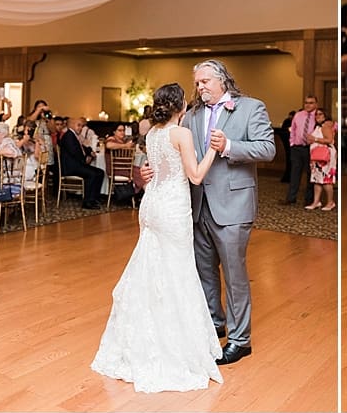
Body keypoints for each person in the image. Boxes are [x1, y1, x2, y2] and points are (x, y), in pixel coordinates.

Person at [91, 83, 224, 392]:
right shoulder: (181, 134)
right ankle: (174, 346)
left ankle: (141, 339)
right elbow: (195, 176)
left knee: (150, 269)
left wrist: (148, 174)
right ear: (182, 107)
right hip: (173, 208)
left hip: (151, 205)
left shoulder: (152, 133)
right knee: (178, 272)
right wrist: (214, 151)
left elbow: (154, 170)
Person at [185, 59, 275, 365]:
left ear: (222, 80)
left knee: (235, 275)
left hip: (234, 205)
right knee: (205, 270)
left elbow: (267, 149)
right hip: (199, 204)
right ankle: (215, 323)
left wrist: (229, 146)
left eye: (205, 81)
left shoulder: (251, 108)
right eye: (197, 83)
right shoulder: (192, 114)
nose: (200, 87)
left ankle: (240, 340)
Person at [56, 117, 105, 210]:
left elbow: (82, 147)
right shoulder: (68, 136)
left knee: (100, 172)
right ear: (71, 125)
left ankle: (94, 198)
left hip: (76, 165)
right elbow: (75, 151)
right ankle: (87, 201)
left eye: (82, 126)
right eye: (78, 125)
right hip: (71, 167)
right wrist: (85, 159)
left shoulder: (74, 135)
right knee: (92, 174)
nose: (81, 128)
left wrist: (89, 152)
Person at [285, 96, 318, 206]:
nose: (308, 105)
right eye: (306, 102)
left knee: (310, 174)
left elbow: (331, 125)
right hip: (297, 148)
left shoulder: (318, 115)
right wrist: (292, 143)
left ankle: (309, 199)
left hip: (311, 148)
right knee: (295, 173)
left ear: (316, 104)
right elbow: (293, 129)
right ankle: (291, 198)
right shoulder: (298, 115)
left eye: (311, 103)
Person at [305, 109, 337, 211]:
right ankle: (316, 202)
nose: (317, 116)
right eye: (316, 114)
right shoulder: (318, 126)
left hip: (325, 155)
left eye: (320, 114)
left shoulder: (326, 126)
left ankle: (330, 202)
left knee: (327, 180)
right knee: (316, 179)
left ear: (325, 115)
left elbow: (329, 140)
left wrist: (315, 139)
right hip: (316, 156)